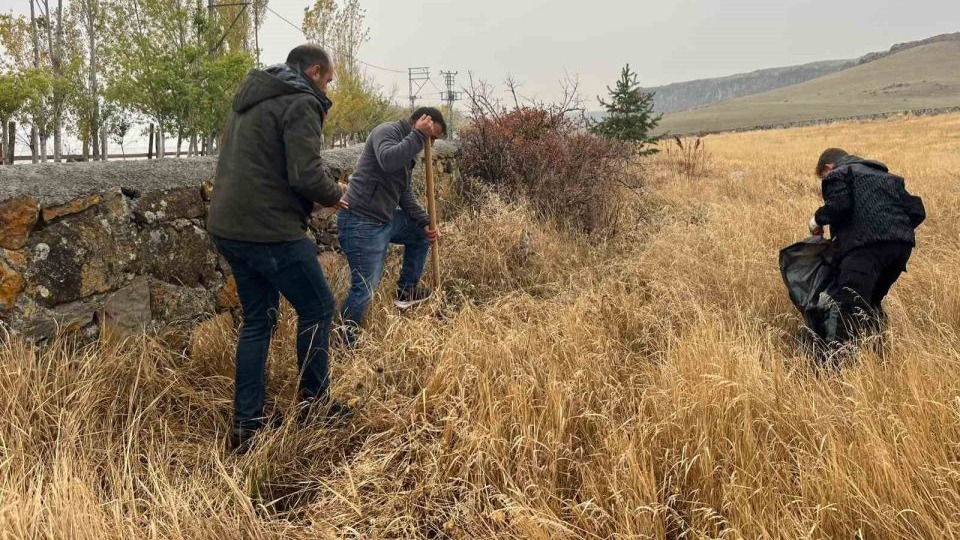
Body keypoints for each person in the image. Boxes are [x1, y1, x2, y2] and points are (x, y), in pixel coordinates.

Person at [207, 44, 350, 454]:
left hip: (229, 226)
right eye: (328, 80)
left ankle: (246, 426)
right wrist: (336, 193)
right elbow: (305, 174)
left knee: (258, 321)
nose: (328, 88)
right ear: (315, 71)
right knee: (318, 308)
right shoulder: (302, 101)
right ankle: (314, 406)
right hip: (269, 229)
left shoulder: (253, 96)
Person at [337, 107, 446, 347]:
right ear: (420, 123)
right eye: (431, 136)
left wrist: (426, 222)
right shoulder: (386, 132)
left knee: (419, 234)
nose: (431, 144)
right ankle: (344, 341)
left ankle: (406, 290)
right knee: (365, 287)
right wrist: (418, 135)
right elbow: (387, 160)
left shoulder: (410, 148)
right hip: (360, 221)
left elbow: (403, 193)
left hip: (383, 218)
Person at [808, 148, 925, 346]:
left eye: (823, 176)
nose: (825, 180)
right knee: (870, 303)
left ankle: (839, 361)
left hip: (864, 250)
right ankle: (879, 353)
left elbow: (840, 205)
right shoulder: (887, 177)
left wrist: (816, 220)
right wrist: (894, 230)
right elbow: (917, 210)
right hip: (900, 250)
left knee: (846, 306)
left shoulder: (839, 173)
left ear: (828, 167)